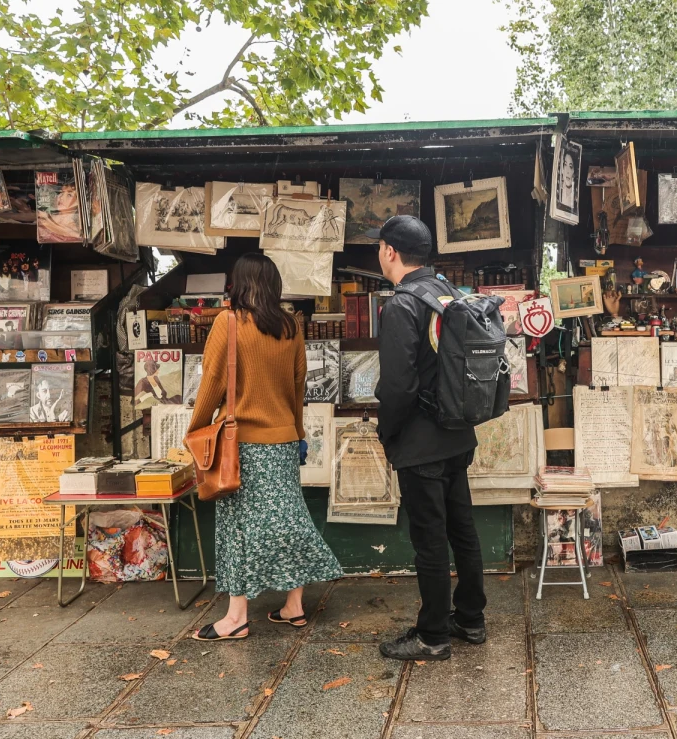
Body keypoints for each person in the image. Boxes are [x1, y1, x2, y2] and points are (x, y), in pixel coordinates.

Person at [186, 253, 343, 641]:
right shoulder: (291, 326)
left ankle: (236, 616)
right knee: (289, 518)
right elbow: (297, 386)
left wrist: (195, 430)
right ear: (273, 285)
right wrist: (297, 431)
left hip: (243, 446)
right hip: (284, 441)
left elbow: (212, 384)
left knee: (238, 528)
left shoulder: (228, 323)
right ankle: (294, 605)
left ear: (238, 284)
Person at [369, 215, 486, 661]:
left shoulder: (401, 305)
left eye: (380, 248)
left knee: (430, 541)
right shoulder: (446, 293)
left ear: (389, 251)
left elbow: (398, 387)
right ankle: (471, 619)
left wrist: (387, 432)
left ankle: (433, 635)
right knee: (463, 531)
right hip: (458, 434)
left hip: (421, 444)